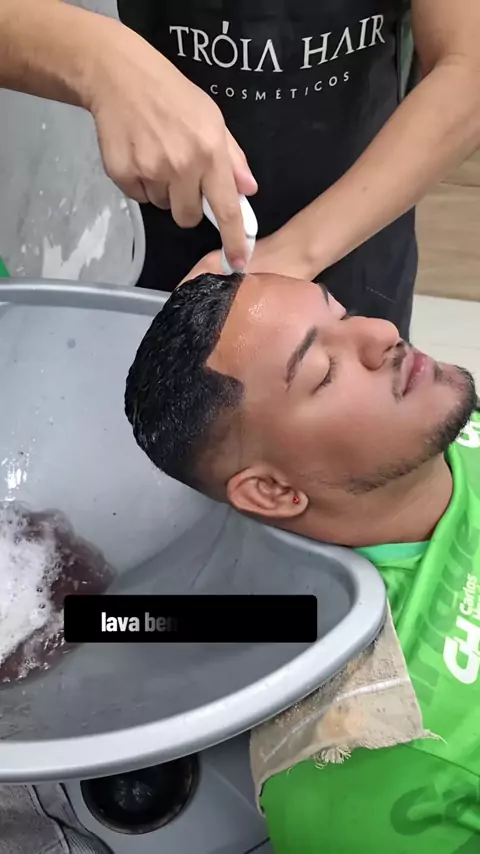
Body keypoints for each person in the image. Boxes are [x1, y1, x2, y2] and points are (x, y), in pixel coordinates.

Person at [125, 271, 480, 852]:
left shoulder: (432, 425)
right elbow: (128, 622)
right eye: (323, 372)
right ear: (272, 491)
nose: (382, 333)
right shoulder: (379, 771)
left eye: (343, 315)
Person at [3, 2, 480, 339]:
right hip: (133, 235)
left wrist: (297, 252)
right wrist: (96, 59)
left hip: (356, 222)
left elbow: (468, 68)